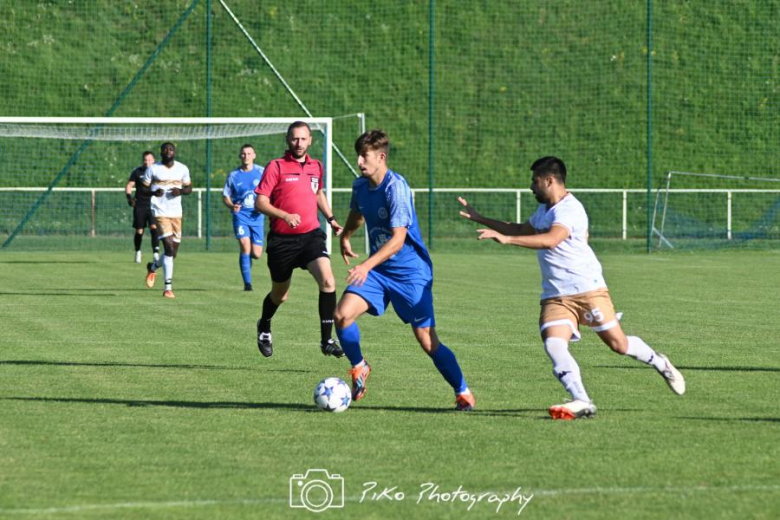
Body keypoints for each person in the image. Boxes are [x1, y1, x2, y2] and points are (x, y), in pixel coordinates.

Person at [458, 156, 684, 420]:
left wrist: (507, 240)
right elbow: (522, 228)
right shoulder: (544, 211)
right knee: (554, 344)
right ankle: (582, 399)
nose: (531, 186)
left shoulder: (570, 209)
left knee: (619, 345)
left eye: (534, 181)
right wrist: (480, 218)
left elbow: (552, 239)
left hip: (588, 290)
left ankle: (660, 363)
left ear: (549, 180)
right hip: (556, 297)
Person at [334, 130, 476, 411]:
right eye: (358, 155)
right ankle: (360, 366)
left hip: (410, 273)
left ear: (381, 157)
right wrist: (346, 236)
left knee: (427, 340)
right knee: (341, 315)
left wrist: (365, 264)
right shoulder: (360, 186)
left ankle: (463, 392)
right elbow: (357, 213)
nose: (360, 161)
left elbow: (398, 240)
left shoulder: (395, 187)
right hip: (378, 270)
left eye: (366, 156)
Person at [253, 121, 345, 359]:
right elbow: (260, 202)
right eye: (294, 138)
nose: (299, 143)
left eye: (303, 139)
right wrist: (284, 215)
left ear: (310, 140)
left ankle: (326, 340)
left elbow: (317, 193)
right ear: (287, 140)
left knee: (328, 280)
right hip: (282, 242)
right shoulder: (276, 166)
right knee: (280, 295)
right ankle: (264, 324)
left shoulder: (316, 166)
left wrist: (332, 218)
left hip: (311, 237)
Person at [142, 142, 192, 299]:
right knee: (169, 248)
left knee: (173, 252)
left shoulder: (182, 168)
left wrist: (181, 191)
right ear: (161, 152)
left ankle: (153, 266)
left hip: (176, 213)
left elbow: (189, 188)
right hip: (160, 212)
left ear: (174, 152)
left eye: (171, 149)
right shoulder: (153, 168)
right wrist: (153, 192)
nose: (168, 151)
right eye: (165, 149)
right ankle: (168, 288)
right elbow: (142, 188)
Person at [223, 144, 265, 291]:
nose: (246, 156)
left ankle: (247, 263)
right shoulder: (234, 176)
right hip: (240, 215)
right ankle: (247, 284)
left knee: (257, 254)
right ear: (240, 156)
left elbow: (271, 190)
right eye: (243, 154)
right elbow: (226, 196)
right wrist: (231, 206)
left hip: (257, 217)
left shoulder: (262, 172)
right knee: (245, 246)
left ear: (254, 155)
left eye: (249, 153)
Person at [125, 151, 160, 264]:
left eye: (149, 160)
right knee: (140, 230)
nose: (147, 162)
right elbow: (130, 185)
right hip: (140, 205)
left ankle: (155, 254)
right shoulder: (137, 172)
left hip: (153, 204)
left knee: (154, 227)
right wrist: (129, 197)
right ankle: (138, 251)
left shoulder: (158, 172)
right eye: (145, 160)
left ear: (153, 160)